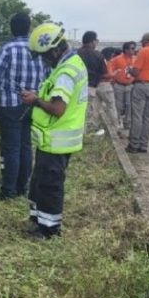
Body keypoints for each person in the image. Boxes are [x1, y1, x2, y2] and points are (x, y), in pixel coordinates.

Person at [20, 23, 89, 239]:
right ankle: (39, 220)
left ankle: (49, 230)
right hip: (50, 140)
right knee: (40, 181)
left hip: (57, 140)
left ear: (55, 50)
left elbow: (58, 109)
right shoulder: (69, 64)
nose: (43, 60)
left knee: (50, 185)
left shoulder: (66, 73)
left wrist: (36, 101)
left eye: (44, 56)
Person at [0, 12, 45, 200]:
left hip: (10, 105)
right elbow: (46, 76)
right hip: (33, 104)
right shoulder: (37, 49)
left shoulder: (8, 49)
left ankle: (8, 191)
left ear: (12, 28)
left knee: (11, 148)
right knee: (25, 146)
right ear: (29, 27)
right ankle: (22, 187)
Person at [76, 31, 106, 131]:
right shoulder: (98, 55)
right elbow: (103, 72)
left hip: (75, 87)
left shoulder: (75, 53)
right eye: (96, 41)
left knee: (75, 112)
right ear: (92, 41)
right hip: (90, 87)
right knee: (87, 113)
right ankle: (83, 134)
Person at [109, 41, 137, 129]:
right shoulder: (117, 59)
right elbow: (110, 69)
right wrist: (112, 78)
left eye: (134, 48)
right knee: (118, 105)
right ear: (126, 50)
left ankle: (127, 123)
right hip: (119, 85)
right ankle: (116, 122)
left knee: (129, 105)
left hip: (130, 85)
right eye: (132, 48)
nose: (134, 50)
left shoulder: (135, 59)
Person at [97, 47, 119, 127]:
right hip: (106, 85)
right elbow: (107, 75)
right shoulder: (107, 62)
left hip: (96, 85)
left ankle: (98, 125)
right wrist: (115, 73)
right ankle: (115, 126)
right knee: (111, 107)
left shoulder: (98, 61)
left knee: (97, 107)